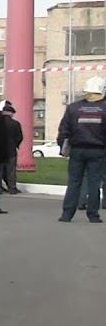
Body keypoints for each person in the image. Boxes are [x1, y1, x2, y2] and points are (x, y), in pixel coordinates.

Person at [56, 76, 106, 223]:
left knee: (74, 182)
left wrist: (63, 148)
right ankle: (93, 215)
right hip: (98, 151)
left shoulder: (73, 108)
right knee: (94, 183)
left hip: (77, 150)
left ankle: (66, 214)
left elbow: (64, 130)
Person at [2, 102, 23, 194]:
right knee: (11, 170)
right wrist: (16, 145)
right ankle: (12, 188)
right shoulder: (15, 124)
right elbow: (20, 137)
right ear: (11, 113)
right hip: (11, 150)